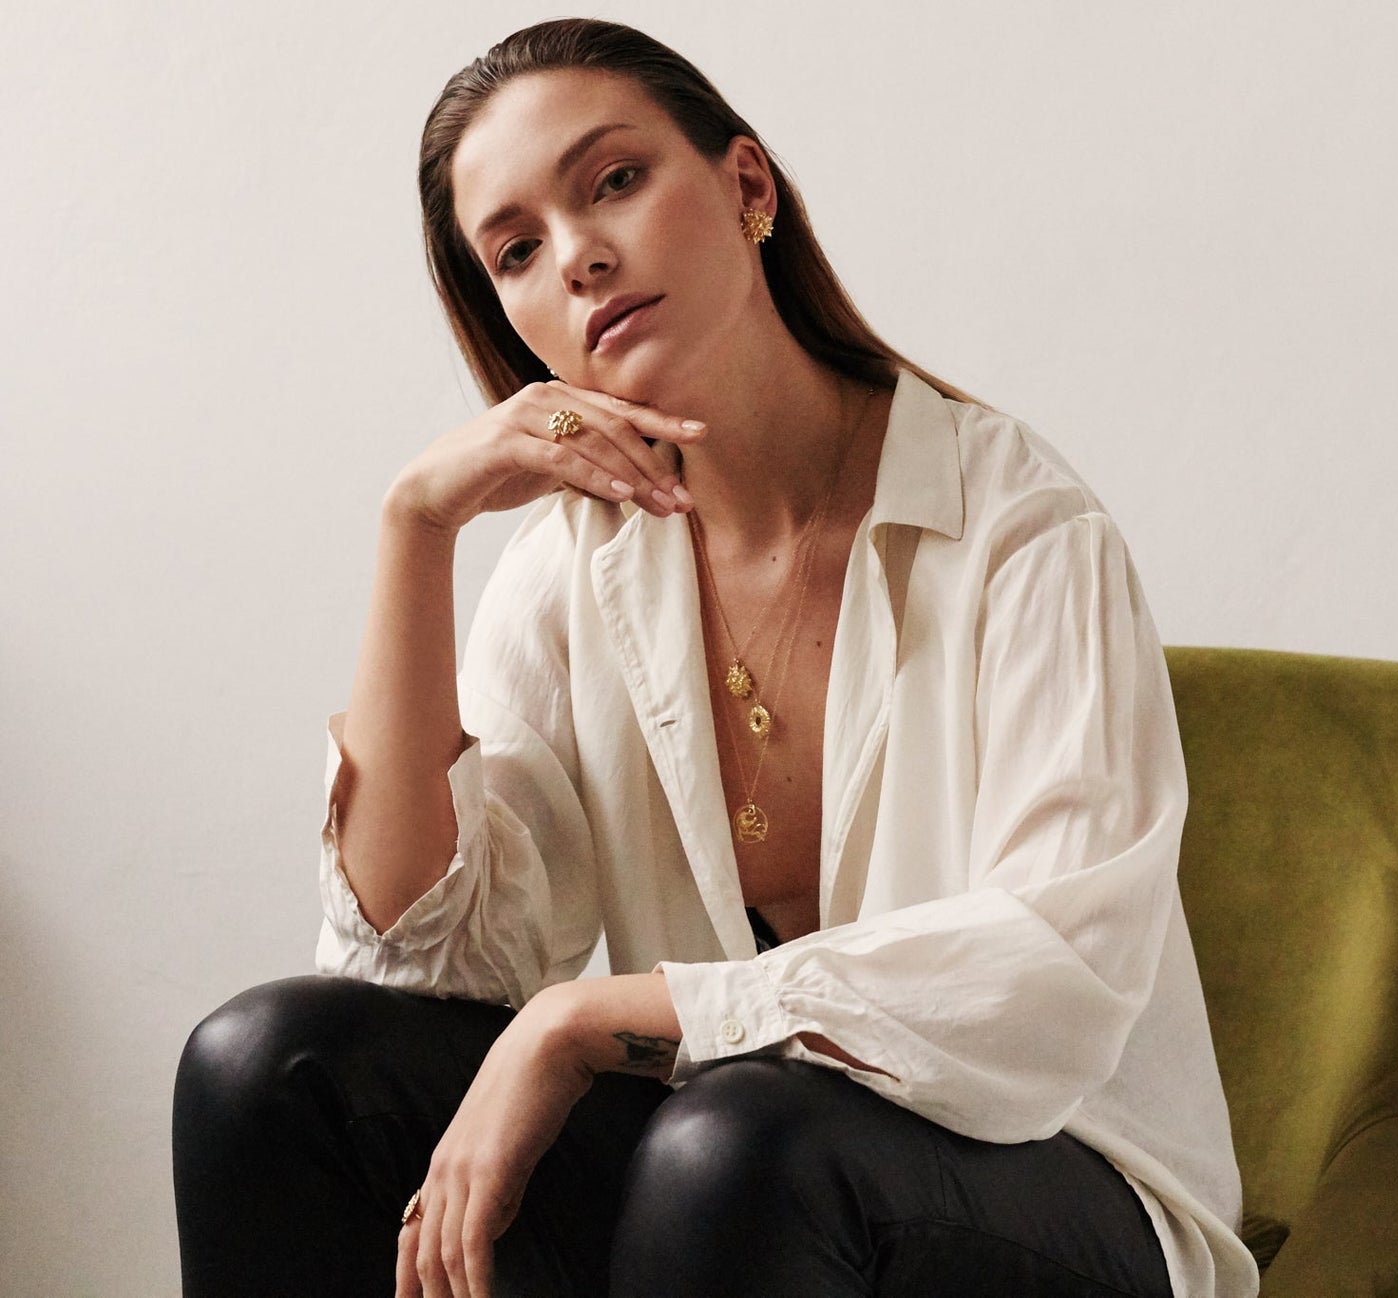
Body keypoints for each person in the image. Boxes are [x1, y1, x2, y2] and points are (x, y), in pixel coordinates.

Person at [171, 17, 1257, 1298]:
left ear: (747, 186)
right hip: (732, 1173)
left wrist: (583, 1017)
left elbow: (1053, 975)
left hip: (1063, 1181)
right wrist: (416, 529)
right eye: (516, 250)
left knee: (737, 1137)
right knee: (270, 1063)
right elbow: (418, 966)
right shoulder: (574, 565)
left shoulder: (1017, 527)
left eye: (614, 180)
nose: (578, 257)